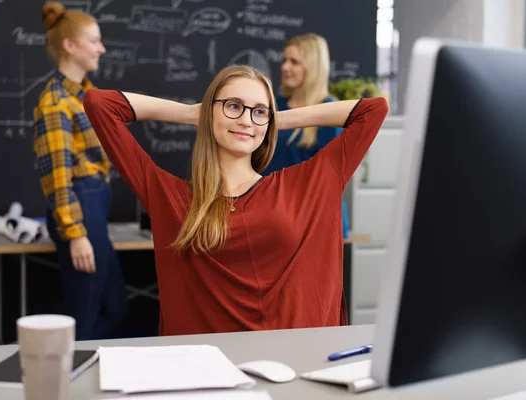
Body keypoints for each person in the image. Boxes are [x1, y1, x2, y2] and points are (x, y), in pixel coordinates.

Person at [83, 65, 388, 336]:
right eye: (233, 106)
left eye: (258, 110)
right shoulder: (173, 198)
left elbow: (373, 110)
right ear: (210, 110)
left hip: (289, 371)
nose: (245, 120)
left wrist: (277, 120)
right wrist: (192, 114)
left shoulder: (305, 186)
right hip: (206, 377)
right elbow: (100, 104)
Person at [33, 1, 127, 340]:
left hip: (95, 203)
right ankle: (66, 383)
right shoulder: (55, 102)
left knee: (116, 307)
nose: (101, 48)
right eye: (94, 40)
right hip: (80, 205)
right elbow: (57, 176)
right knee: (85, 315)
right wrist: (76, 234)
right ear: (69, 46)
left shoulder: (88, 95)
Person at [264, 33, 350, 238]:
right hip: (275, 216)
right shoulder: (272, 105)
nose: (285, 67)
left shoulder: (330, 111)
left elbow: (330, 178)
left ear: (313, 66)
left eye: (294, 62)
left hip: (315, 220)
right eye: (285, 60)